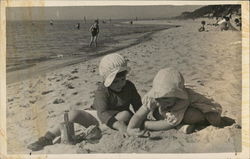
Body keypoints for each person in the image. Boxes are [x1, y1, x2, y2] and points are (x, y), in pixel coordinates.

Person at [27, 53, 142, 151]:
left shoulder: (129, 86)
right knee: (73, 114)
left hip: (116, 117)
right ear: (106, 80)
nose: (120, 84)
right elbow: (101, 112)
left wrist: (143, 117)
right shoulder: (103, 90)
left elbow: (138, 105)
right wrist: (119, 125)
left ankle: (87, 134)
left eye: (122, 79)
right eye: (115, 81)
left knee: (126, 114)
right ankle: (47, 138)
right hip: (96, 116)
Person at [127, 67, 224, 136]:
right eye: (158, 98)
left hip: (201, 110)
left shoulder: (182, 100)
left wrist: (145, 124)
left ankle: (184, 124)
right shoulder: (154, 97)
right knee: (156, 112)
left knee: (189, 116)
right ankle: (181, 126)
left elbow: (169, 123)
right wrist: (130, 128)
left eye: (166, 99)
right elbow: (139, 115)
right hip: (176, 112)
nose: (162, 101)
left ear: (177, 96)